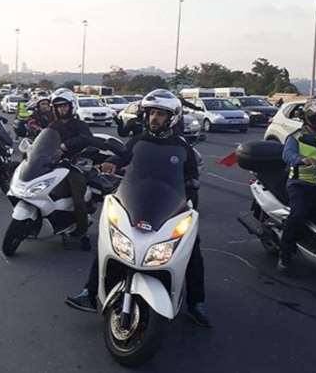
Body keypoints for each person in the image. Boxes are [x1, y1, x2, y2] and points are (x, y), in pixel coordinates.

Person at [66, 89, 210, 327]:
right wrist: (111, 163)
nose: (154, 118)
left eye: (160, 115)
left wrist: (190, 193)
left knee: (193, 249)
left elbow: (192, 177)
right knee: (108, 240)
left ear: (172, 117)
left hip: (169, 205)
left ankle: (197, 303)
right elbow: (123, 156)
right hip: (137, 201)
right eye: (152, 113)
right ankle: (89, 293)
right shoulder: (139, 140)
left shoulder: (182, 146)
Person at [279, 97, 316, 272]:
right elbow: (287, 155)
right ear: (310, 117)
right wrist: (301, 159)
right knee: (298, 214)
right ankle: (285, 255)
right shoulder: (296, 137)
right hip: (301, 184)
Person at [47, 88, 94, 239]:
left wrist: (65, 146)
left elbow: (86, 138)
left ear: (71, 106)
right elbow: (44, 141)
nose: (62, 109)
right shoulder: (53, 126)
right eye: (59, 106)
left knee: (78, 199)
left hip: (74, 165)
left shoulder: (79, 124)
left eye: (65, 106)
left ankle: (82, 230)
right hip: (54, 165)